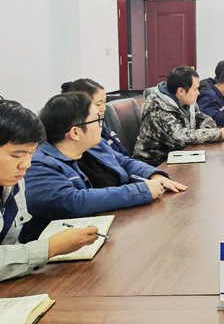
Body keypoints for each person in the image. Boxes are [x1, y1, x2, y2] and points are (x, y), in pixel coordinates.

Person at [21, 93, 188, 240]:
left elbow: (124, 162)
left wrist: (153, 175)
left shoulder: (94, 145)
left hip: (118, 224)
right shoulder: (38, 164)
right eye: (98, 120)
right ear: (75, 133)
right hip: (75, 244)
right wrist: (141, 191)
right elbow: (72, 202)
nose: (103, 125)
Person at [0, 100, 99, 281]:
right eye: (16, 155)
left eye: (31, 153)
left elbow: (10, 244)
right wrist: (50, 247)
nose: (26, 164)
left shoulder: (13, 180)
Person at [133, 66, 224, 165]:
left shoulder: (186, 102)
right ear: (181, 91)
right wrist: (219, 134)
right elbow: (181, 138)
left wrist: (205, 131)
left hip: (177, 156)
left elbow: (206, 119)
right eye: (195, 89)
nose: (198, 93)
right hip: (154, 162)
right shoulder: (158, 109)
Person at [61, 78, 129, 156]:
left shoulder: (104, 131)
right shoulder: (88, 139)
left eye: (105, 102)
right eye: (98, 104)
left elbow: (122, 159)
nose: (104, 108)